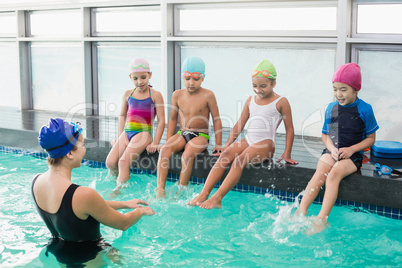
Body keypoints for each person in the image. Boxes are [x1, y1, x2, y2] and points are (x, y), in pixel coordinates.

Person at [32, 118, 156, 265]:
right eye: (83, 145)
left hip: (57, 251)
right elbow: (124, 223)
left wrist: (124, 204)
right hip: (90, 260)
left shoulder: (36, 181)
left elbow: (81, 208)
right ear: (70, 153)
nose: (85, 149)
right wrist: (140, 212)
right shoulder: (83, 194)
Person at [188, 59, 298, 209]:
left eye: (263, 86)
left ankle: (217, 198)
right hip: (249, 139)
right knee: (226, 155)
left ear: (274, 84)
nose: (258, 89)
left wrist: (287, 153)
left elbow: (290, 129)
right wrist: (226, 147)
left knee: (239, 160)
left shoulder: (281, 102)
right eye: (254, 86)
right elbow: (239, 124)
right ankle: (203, 194)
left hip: (266, 144)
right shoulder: (250, 100)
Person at [297, 63, 379, 234]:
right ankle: (300, 211)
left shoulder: (365, 109)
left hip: (353, 156)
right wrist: (331, 148)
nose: (338, 94)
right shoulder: (331, 108)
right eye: (335, 89)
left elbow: (371, 139)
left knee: (334, 174)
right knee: (320, 173)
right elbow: (325, 135)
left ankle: (321, 219)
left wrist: (351, 149)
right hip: (332, 150)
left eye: (343, 89)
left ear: (356, 90)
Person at [156, 57, 223, 198]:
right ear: (182, 77)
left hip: (200, 136)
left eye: (196, 79)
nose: (191, 83)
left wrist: (218, 143)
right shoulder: (177, 95)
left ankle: (181, 190)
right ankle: (160, 190)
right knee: (164, 151)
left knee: (187, 155)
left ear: (203, 78)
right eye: (187, 78)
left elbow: (216, 119)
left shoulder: (208, 95)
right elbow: (173, 118)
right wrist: (168, 141)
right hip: (182, 133)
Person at [105, 58, 165, 187]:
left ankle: (119, 190)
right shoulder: (128, 94)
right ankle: (122, 181)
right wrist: (119, 136)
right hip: (127, 132)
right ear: (130, 77)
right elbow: (122, 116)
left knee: (123, 162)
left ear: (150, 75)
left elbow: (161, 120)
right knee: (110, 162)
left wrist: (155, 143)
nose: (140, 82)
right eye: (135, 78)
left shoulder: (155, 95)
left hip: (143, 134)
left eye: (143, 77)